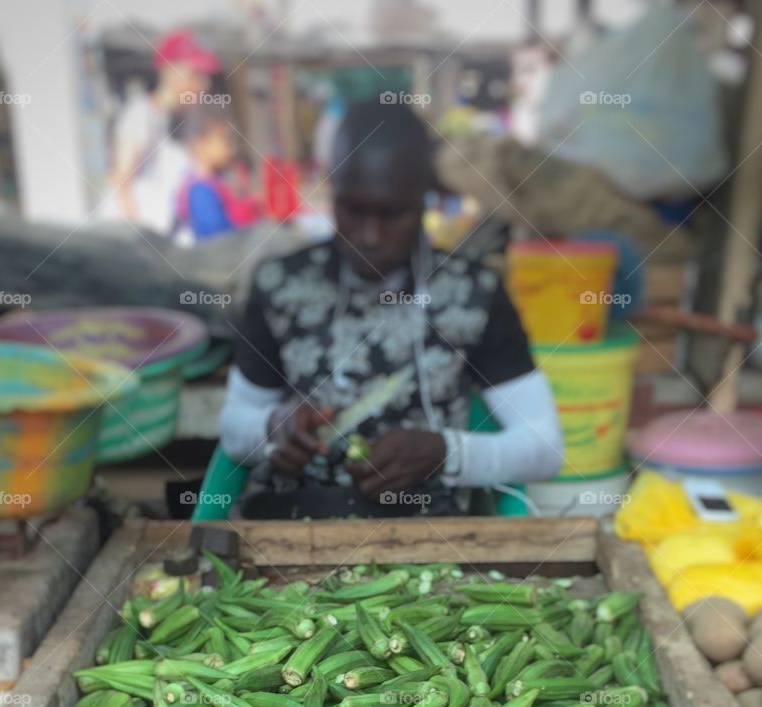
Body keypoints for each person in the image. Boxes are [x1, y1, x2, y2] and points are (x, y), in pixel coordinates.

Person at [219, 99, 563, 518]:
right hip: (294, 520)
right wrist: (271, 429)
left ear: (426, 201)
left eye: (392, 214)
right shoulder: (282, 285)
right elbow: (234, 428)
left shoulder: (474, 293)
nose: (369, 236)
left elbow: (545, 447)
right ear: (332, 190)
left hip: (425, 534)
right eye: (352, 209)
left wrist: (445, 453)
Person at [107, 30, 222, 234]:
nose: (204, 85)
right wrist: (138, 239)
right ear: (170, 71)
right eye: (196, 75)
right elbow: (121, 182)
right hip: (142, 244)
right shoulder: (140, 114)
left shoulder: (184, 121)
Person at [176, 109, 262, 241]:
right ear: (200, 146)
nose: (231, 148)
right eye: (225, 140)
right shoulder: (200, 190)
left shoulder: (217, 180)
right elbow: (218, 236)